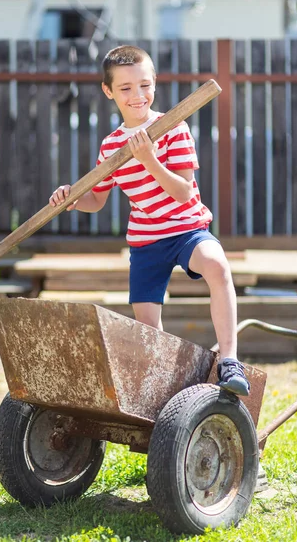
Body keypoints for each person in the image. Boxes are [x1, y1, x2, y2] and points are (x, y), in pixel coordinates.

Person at [49, 45, 250, 396]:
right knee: (147, 325)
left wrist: (149, 160)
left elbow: (184, 192)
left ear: (154, 82)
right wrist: (73, 199)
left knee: (217, 266)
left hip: (187, 229)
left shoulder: (173, 128)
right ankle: (164, 386)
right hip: (146, 241)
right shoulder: (111, 146)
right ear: (108, 91)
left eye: (145, 85)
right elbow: (97, 200)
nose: (137, 95)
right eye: (125, 88)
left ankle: (230, 361)